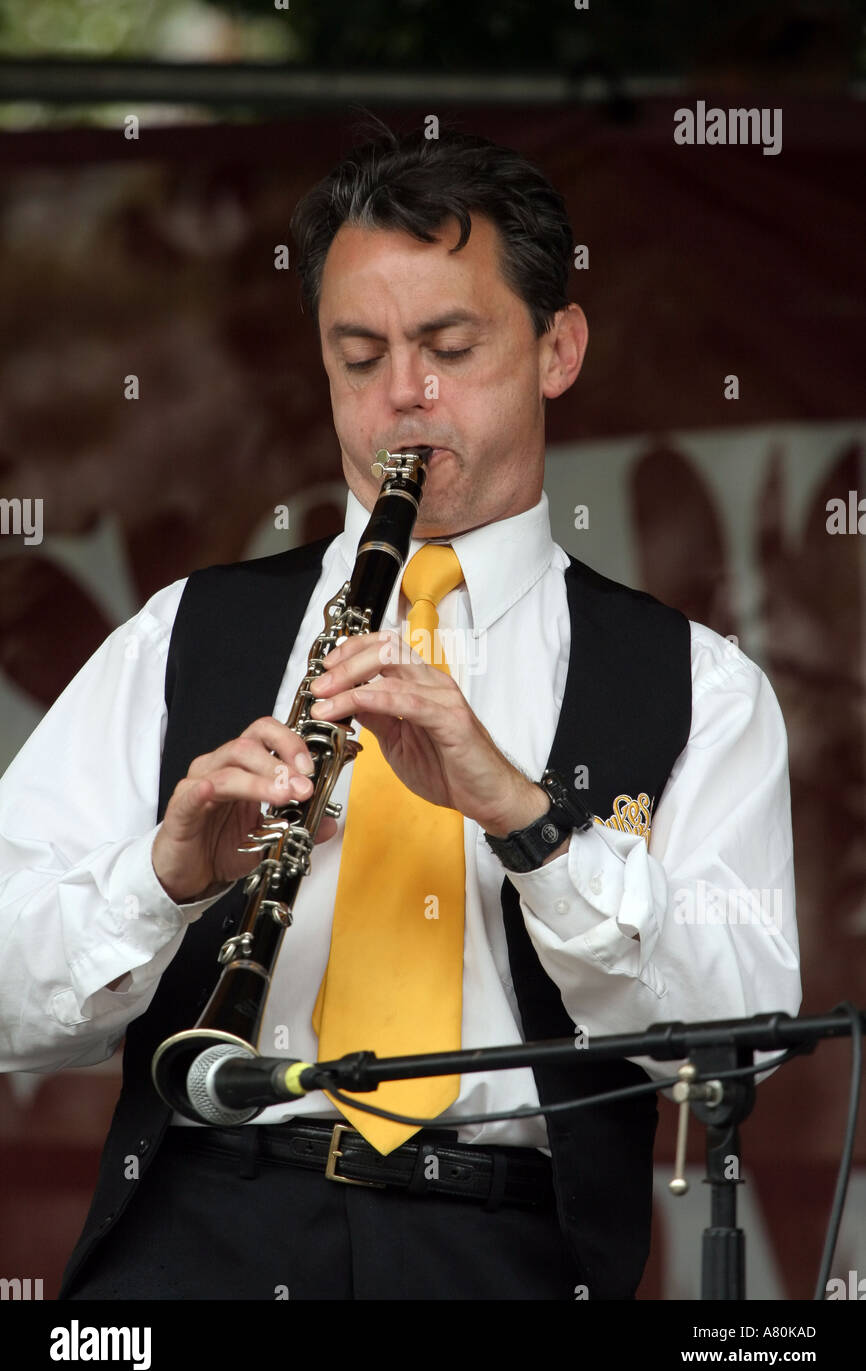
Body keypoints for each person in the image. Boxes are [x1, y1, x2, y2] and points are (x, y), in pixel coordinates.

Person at [0, 125, 801, 1301]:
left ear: (556, 348)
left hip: (498, 1249)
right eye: (359, 354)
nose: (402, 401)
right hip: (200, 1232)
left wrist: (529, 825)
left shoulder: (700, 683)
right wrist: (160, 880)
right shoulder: (185, 633)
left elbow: (745, 1038)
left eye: (448, 347)